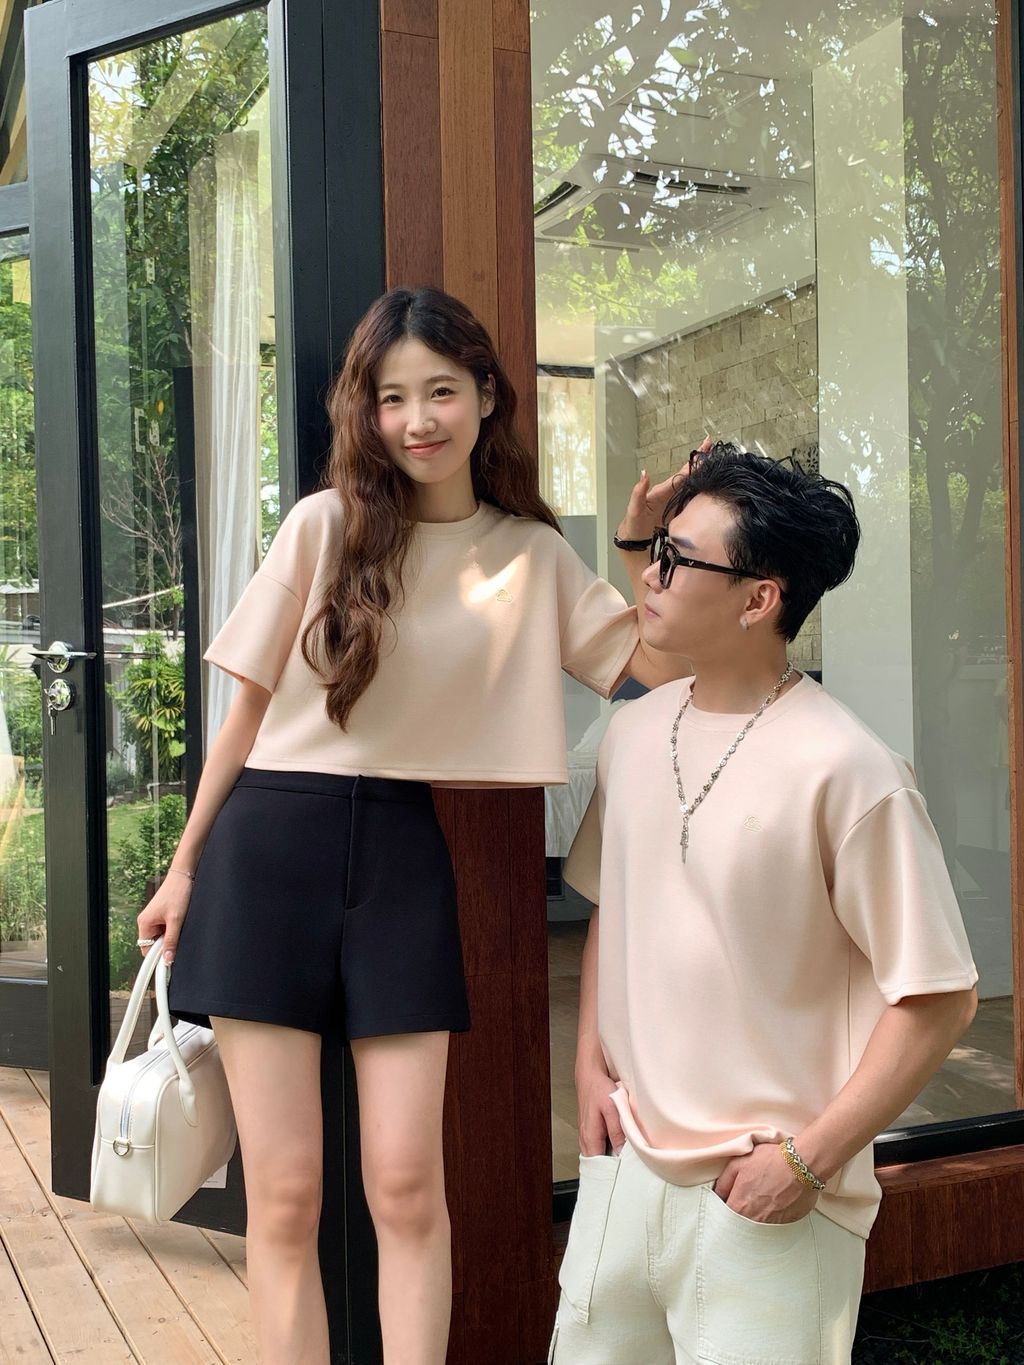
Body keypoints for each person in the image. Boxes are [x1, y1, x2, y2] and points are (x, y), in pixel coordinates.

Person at [135, 286, 691, 1365]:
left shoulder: (528, 554)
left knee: (405, 1183)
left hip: (399, 856)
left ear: (485, 395)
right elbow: (245, 714)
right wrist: (184, 866)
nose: (417, 419)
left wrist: (641, 546)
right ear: (367, 411)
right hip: (267, 849)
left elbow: (649, 665)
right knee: (285, 1193)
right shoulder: (324, 525)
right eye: (391, 398)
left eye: (440, 391)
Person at [551, 444, 978, 1364]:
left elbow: (940, 997)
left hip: (766, 1194)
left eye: (677, 558)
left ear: (759, 599)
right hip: (623, 1171)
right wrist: (588, 1064)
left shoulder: (850, 768)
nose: (649, 574)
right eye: (655, 550)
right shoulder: (631, 734)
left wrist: (807, 1160)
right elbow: (613, 911)